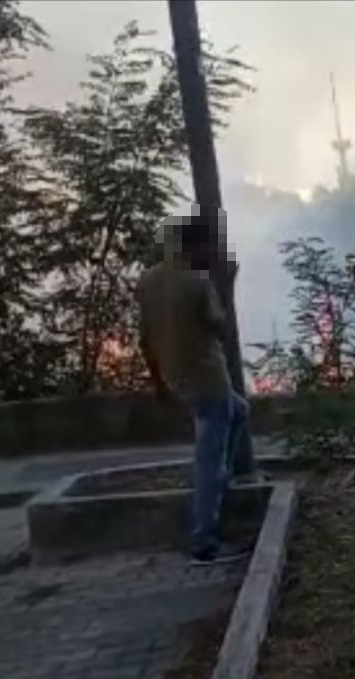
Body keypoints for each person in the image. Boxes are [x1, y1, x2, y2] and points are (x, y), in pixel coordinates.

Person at [137, 211, 251, 565]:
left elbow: (145, 338)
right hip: (208, 380)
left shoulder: (148, 280)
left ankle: (223, 483)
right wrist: (226, 285)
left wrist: (158, 383)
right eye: (207, 245)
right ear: (193, 246)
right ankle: (204, 540)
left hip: (177, 377)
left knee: (240, 412)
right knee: (208, 459)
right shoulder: (198, 283)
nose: (211, 251)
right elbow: (223, 331)